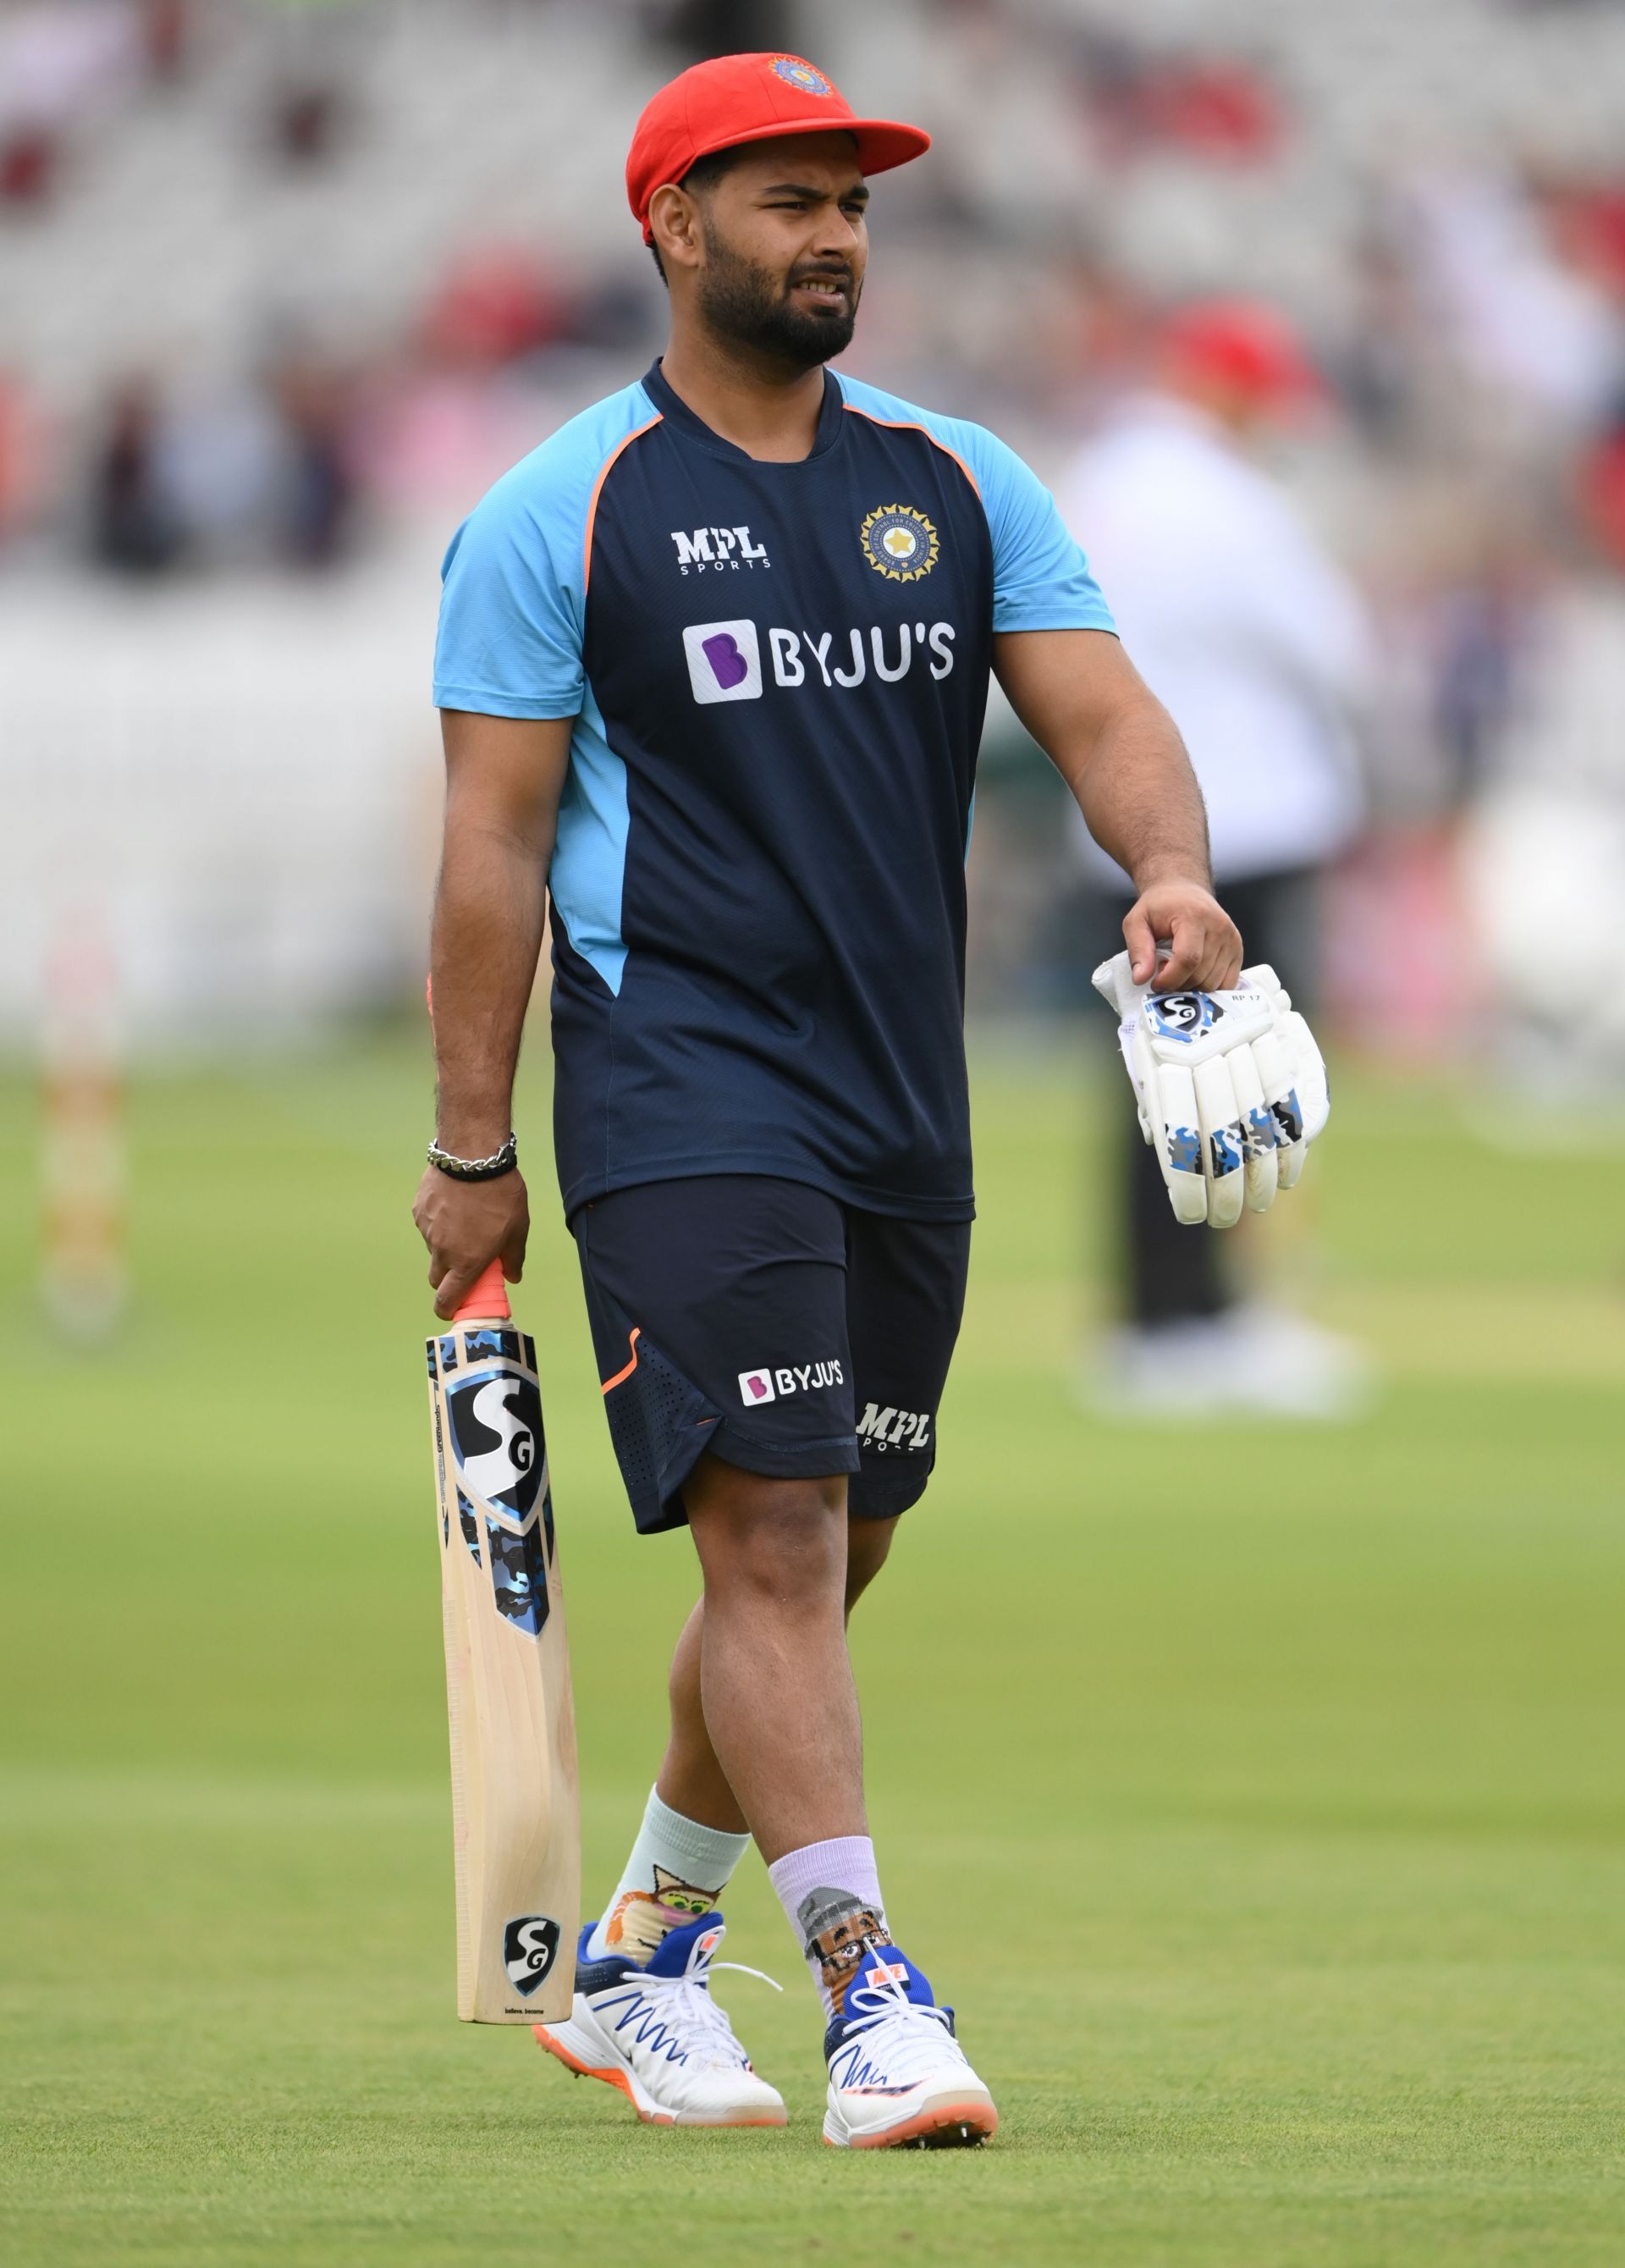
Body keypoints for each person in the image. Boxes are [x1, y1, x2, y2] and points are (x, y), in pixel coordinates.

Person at [414, 51, 1241, 2149]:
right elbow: (490, 851)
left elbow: (1107, 707)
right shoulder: (558, 508)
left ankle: (639, 1953)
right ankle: (877, 1992)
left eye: (851, 201)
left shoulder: (961, 482)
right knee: (770, 1526)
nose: (834, 233)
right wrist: (474, 1152)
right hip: (682, 1078)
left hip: (901, 1091)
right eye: (785, 198)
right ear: (672, 228)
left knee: (832, 1540)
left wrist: (1169, 870)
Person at [1057, 299, 1374, 1416]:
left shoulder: (1097, 481)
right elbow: (1336, 647)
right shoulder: (1231, 501)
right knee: (1244, 1079)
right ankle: (1208, 1320)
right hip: (1244, 819)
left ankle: (1164, 1314)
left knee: (1156, 1081)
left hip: (1125, 824)